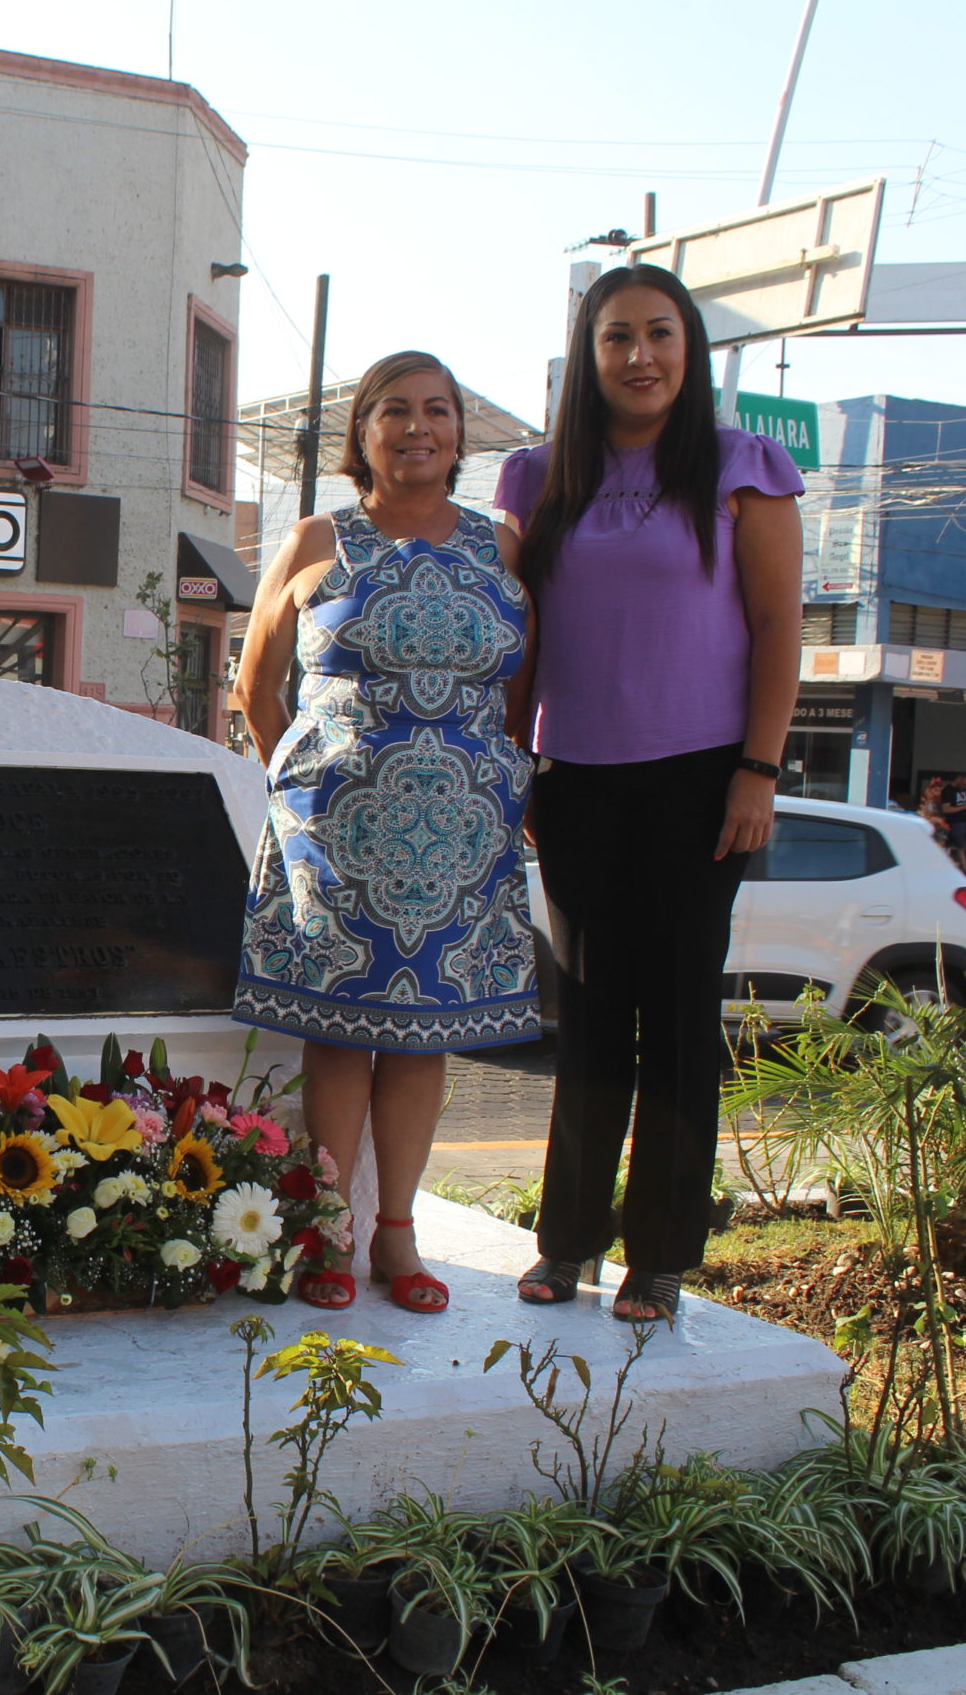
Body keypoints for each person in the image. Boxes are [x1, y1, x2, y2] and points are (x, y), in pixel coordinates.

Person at [496, 264, 804, 1324]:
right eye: (617, 336)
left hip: (701, 783)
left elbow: (777, 634)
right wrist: (512, 764)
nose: (639, 356)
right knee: (585, 1018)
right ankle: (566, 1242)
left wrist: (756, 773)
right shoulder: (538, 479)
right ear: (586, 357)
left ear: (691, 349)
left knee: (675, 1019)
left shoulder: (737, 467)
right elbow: (523, 643)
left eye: (660, 334)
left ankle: (661, 1251)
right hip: (573, 778)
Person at [233, 350, 542, 1314]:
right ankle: (328, 1227)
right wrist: (309, 784)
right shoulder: (318, 537)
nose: (419, 428)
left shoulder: (506, 545)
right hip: (338, 829)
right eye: (395, 412)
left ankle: (396, 1236)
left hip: (464, 830)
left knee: (422, 1040)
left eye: (438, 411)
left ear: (460, 434)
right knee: (339, 1036)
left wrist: (501, 786)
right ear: (362, 434)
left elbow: (521, 692)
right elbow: (254, 686)